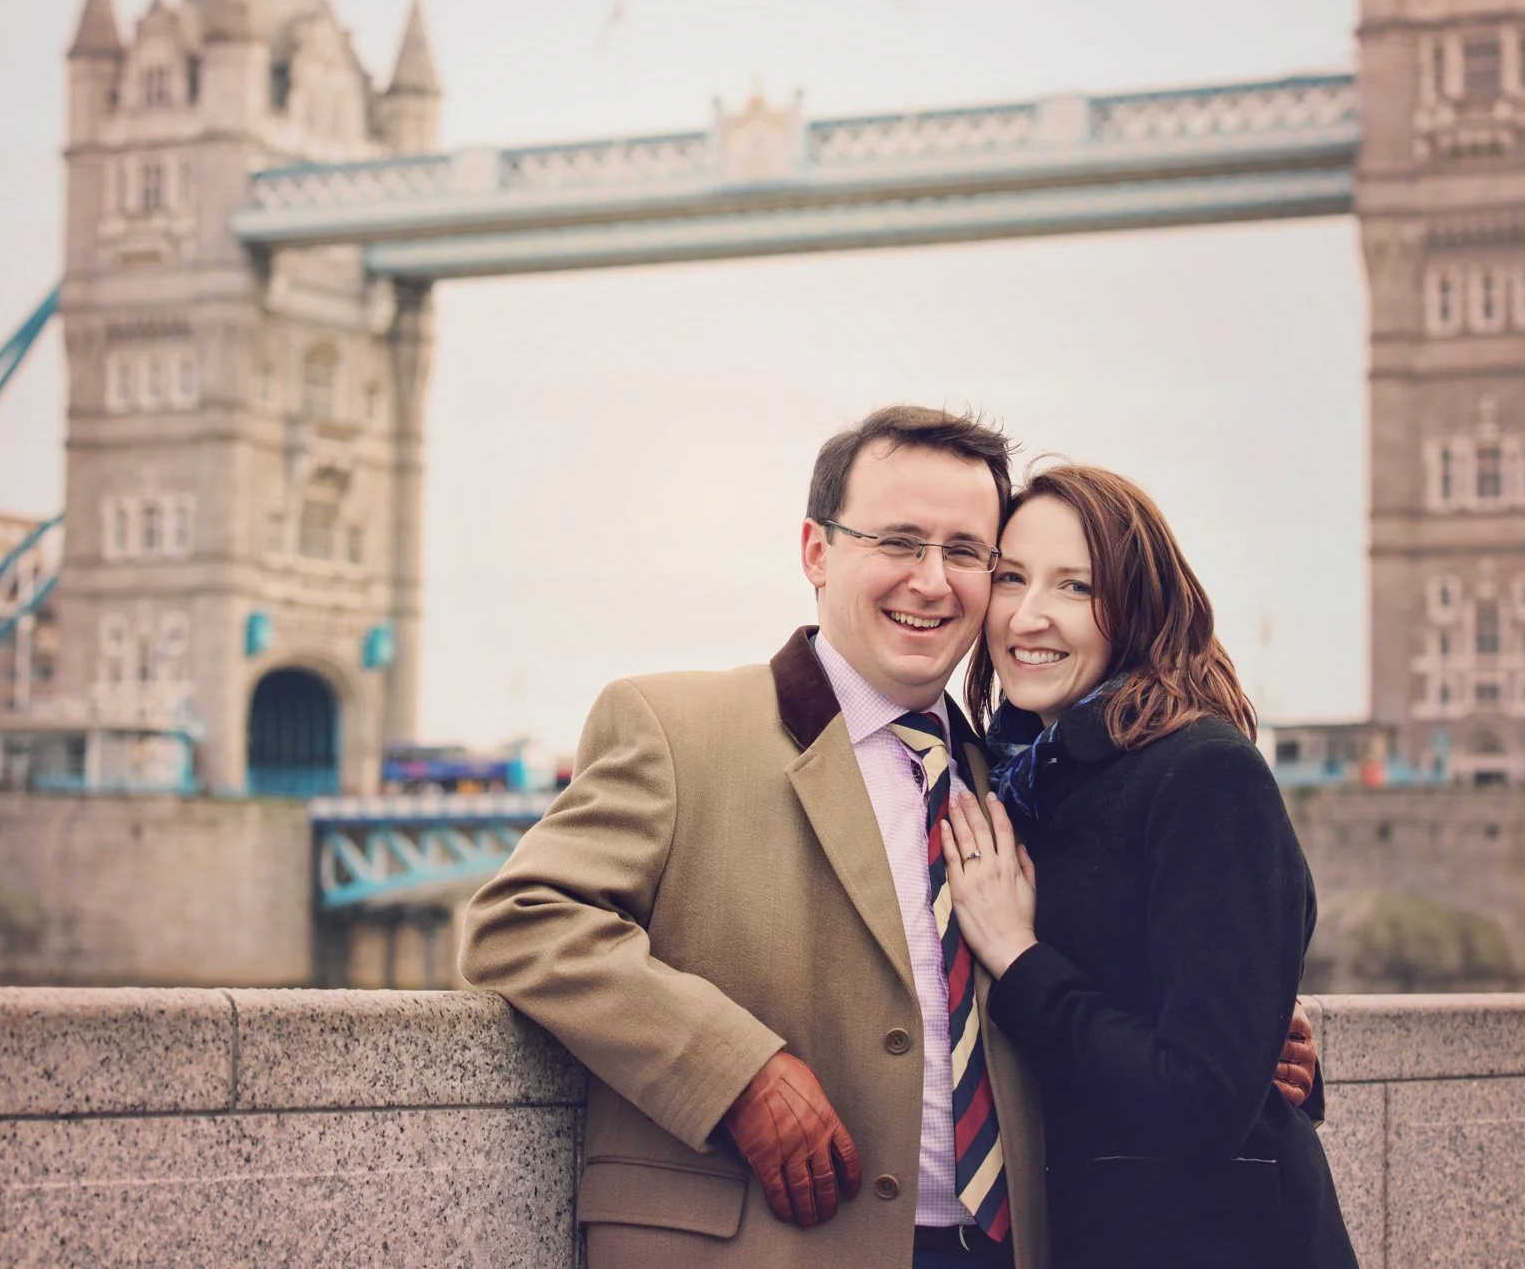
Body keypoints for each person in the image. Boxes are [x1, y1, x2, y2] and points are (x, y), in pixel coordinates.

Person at [461, 408, 1317, 1269]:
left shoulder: (1014, 778)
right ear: (816, 551)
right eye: (899, 542)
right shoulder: (678, 727)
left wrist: (1246, 1027)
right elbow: (523, 918)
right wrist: (734, 1072)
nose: (933, 581)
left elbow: (1129, 974)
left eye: (966, 553)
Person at [939, 464, 1358, 1269]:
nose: (1029, 615)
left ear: (1139, 606)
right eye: (1012, 577)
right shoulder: (1011, 773)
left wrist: (1019, 957)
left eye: (1074, 586)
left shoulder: (1204, 774)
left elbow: (1202, 1102)